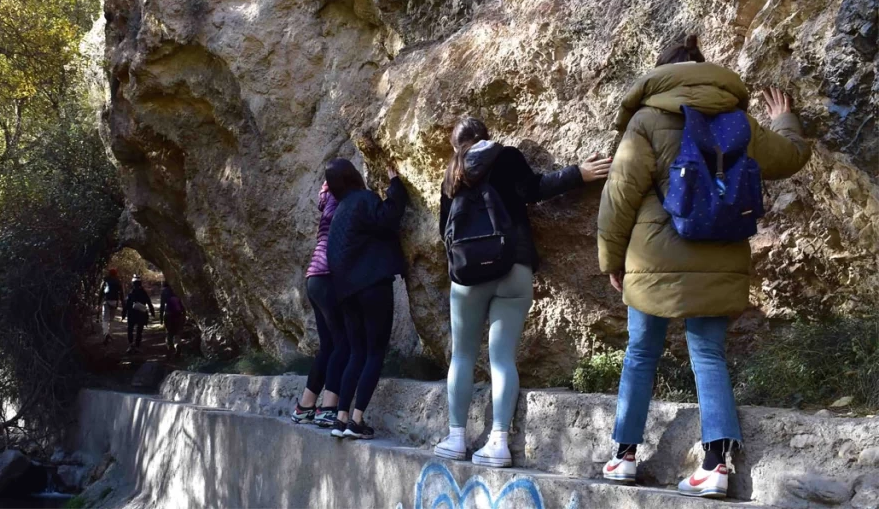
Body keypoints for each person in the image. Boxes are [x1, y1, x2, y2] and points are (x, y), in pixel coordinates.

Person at [597, 35, 810, 498]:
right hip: (721, 250)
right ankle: (716, 464)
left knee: (640, 354)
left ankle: (624, 457)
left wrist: (611, 259)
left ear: (662, 72)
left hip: (653, 255)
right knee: (708, 355)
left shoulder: (647, 119)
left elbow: (620, 195)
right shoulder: (738, 120)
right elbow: (791, 156)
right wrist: (786, 120)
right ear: (703, 68)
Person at [434, 118, 612, 467]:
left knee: (463, 356)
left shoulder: (451, 173)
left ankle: (456, 438)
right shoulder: (507, 156)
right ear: (486, 136)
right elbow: (534, 189)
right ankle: (499, 442)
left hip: (467, 276)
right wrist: (579, 173)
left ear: (457, 145)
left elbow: (445, 230)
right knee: (502, 359)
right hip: (513, 266)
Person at [325, 158, 408, 440]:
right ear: (353, 176)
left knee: (356, 352)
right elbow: (389, 216)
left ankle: (341, 417)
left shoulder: (338, 215)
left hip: (345, 293)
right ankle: (357, 421)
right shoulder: (362, 200)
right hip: (372, 286)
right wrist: (395, 184)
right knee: (375, 352)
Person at [291, 181, 349, 428]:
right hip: (327, 277)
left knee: (328, 345)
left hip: (313, 277)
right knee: (343, 344)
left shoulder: (326, 203)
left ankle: (304, 406)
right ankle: (328, 408)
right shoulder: (341, 204)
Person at [122, 275, 155, 353]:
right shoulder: (143, 292)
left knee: (130, 329)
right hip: (141, 314)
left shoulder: (131, 292)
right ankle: (137, 346)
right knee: (139, 330)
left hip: (132, 314)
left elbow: (126, 304)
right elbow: (149, 302)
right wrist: (152, 312)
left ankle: (131, 345)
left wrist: (124, 313)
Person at [99, 269, 124, 344]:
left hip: (106, 301)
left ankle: (106, 334)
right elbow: (121, 293)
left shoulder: (105, 280)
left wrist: (98, 303)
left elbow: (101, 292)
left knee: (105, 319)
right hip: (114, 301)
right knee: (112, 319)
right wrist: (123, 304)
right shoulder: (118, 281)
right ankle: (110, 334)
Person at [161, 283, 185, 357]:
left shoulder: (164, 292)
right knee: (177, 332)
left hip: (168, 315)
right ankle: (177, 345)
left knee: (169, 332)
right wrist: (184, 314)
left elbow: (162, 305)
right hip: (178, 314)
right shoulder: (176, 291)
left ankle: (170, 350)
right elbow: (181, 304)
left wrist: (161, 318)